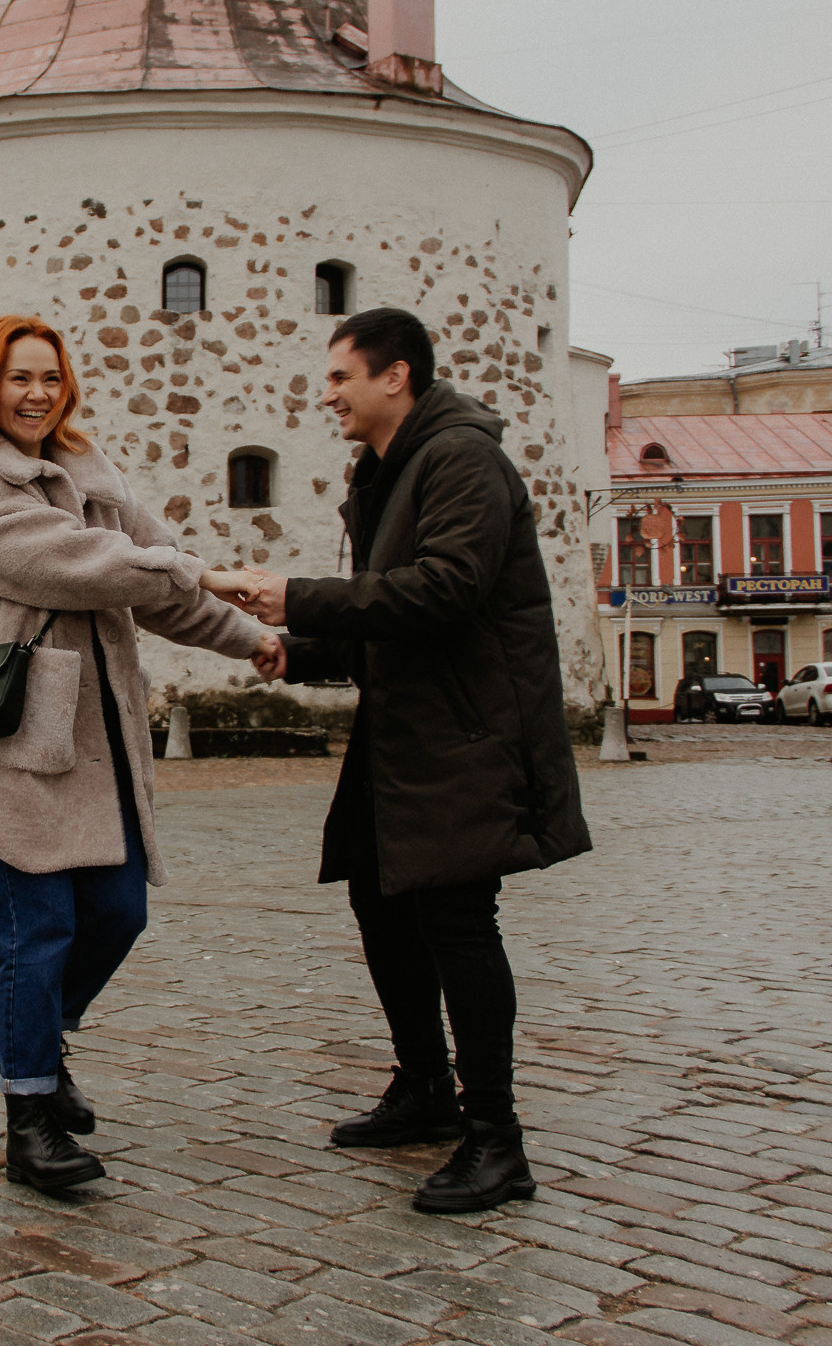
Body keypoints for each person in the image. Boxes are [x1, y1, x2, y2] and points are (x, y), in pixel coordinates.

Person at [211, 306, 591, 1214]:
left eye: (341, 376)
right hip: (408, 735)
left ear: (397, 377)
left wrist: (299, 595)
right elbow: (389, 618)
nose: (327, 393)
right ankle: (426, 1089)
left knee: (458, 921)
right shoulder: (385, 473)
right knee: (381, 903)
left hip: (469, 733)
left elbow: (446, 591)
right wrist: (298, 649)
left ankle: (497, 1143)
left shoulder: (462, 459)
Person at [0, 314, 277, 1192]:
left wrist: (251, 639)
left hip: (97, 746)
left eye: (50, 379)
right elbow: (84, 565)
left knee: (118, 912)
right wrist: (204, 571)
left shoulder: (92, 476)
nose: (37, 394)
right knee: (37, 931)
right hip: (14, 740)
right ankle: (31, 1117)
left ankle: (38, 1041)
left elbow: (157, 582)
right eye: (20, 378)